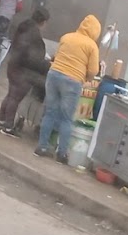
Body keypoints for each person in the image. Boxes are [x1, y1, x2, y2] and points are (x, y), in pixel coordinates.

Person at [35, 15, 101, 163]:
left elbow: (56, 56)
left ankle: (42, 147)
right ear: (95, 31)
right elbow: (93, 70)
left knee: (49, 113)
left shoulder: (66, 37)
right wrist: (87, 78)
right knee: (67, 118)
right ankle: (62, 153)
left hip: (53, 75)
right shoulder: (91, 46)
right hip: (72, 80)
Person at [0, 8, 50, 134]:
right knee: (15, 98)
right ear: (43, 22)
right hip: (23, 71)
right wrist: (46, 65)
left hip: (13, 65)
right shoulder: (34, 35)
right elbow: (34, 59)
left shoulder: (24, 26)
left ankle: (1, 120)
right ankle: (8, 127)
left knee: (10, 95)